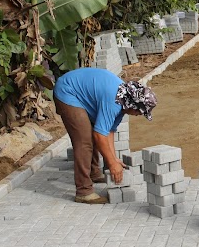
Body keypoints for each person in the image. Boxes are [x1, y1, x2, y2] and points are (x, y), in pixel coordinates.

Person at [53, 67, 157, 204]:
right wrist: (112, 164)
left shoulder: (123, 100)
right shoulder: (114, 102)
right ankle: (83, 191)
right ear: (133, 106)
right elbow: (99, 135)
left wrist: (113, 159)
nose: (138, 115)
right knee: (85, 141)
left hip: (79, 91)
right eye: (140, 112)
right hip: (67, 91)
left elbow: (108, 132)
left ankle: (94, 173)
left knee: (93, 135)